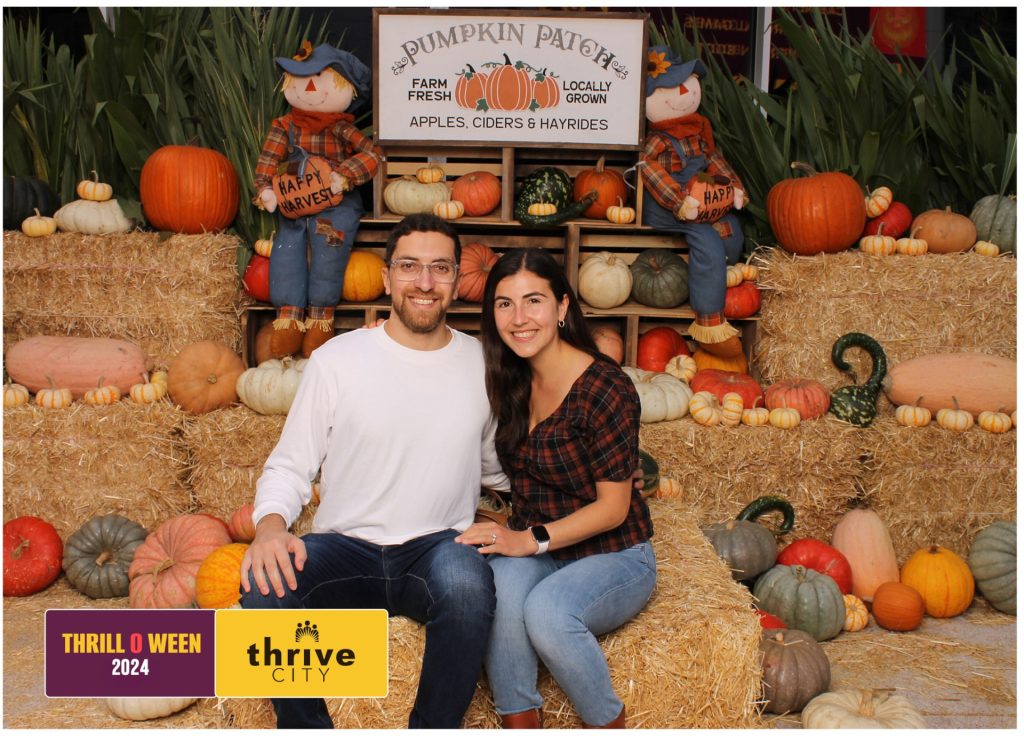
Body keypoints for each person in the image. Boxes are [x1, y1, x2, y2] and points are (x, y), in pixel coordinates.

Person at [240, 213, 509, 729]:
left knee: (469, 586)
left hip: (436, 549)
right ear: (387, 279)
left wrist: (597, 482)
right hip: (345, 548)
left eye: (439, 268)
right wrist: (270, 528)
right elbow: (290, 465)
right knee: (263, 587)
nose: (425, 282)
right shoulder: (338, 359)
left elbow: (498, 470)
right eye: (409, 266)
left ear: (457, 280)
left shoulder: (482, 364)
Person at [455, 248, 657, 729]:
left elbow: (613, 508)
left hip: (613, 551)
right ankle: (521, 724)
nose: (519, 318)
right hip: (540, 544)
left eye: (533, 301)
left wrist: (528, 540)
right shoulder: (509, 377)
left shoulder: (604, 387)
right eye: (504, 304)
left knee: (547, 613)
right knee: (497, 596)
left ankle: (606, 725)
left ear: (563, 307)